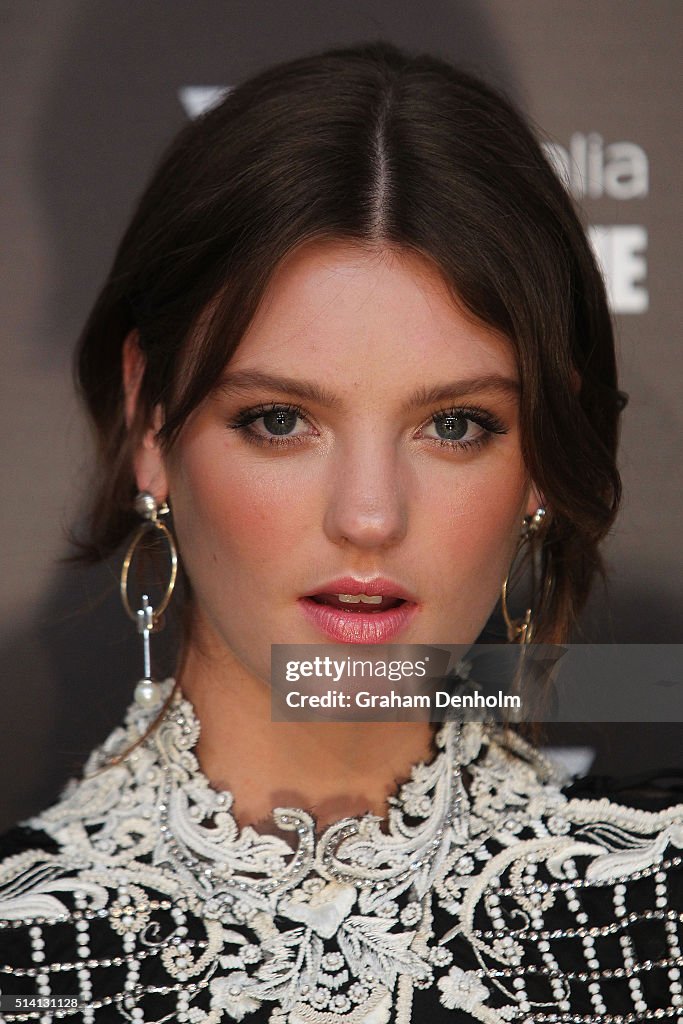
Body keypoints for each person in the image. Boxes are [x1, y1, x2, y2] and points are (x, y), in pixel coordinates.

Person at [0, 40, 680, 1024]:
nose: (367, 515)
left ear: (540, 454)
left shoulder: (653, 913)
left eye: (454, 425)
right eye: (279, 420)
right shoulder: (26, 956)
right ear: (152, 422)